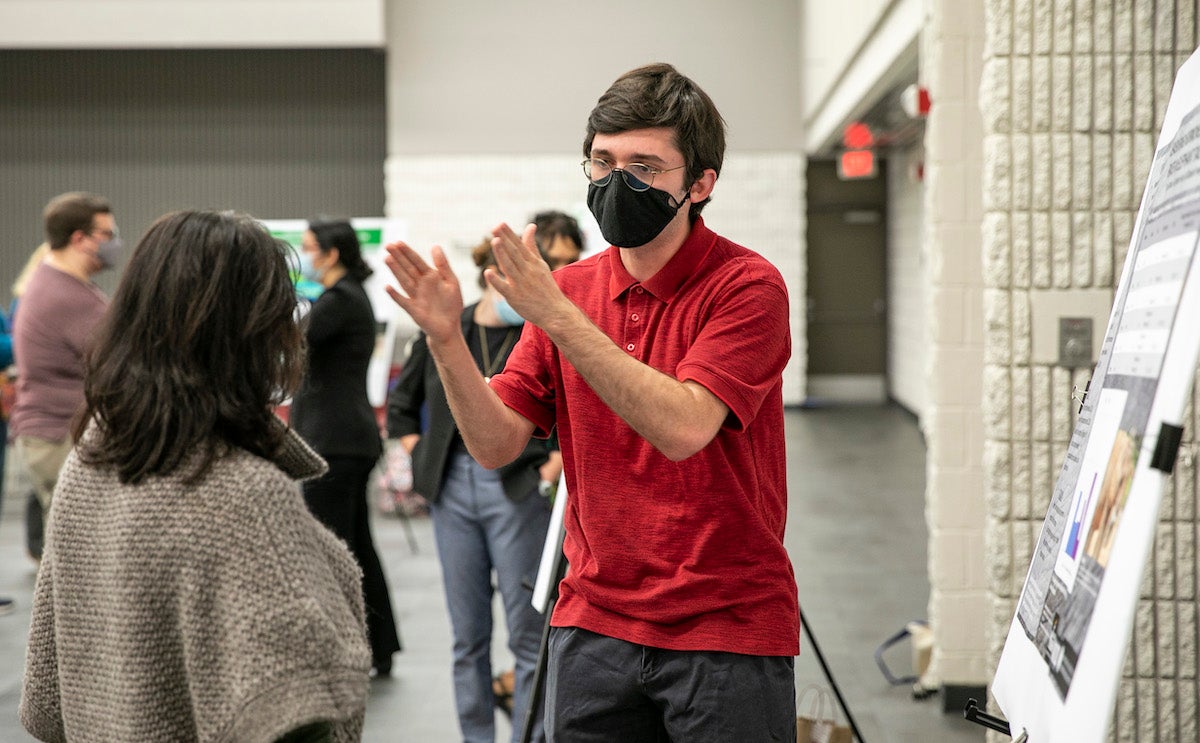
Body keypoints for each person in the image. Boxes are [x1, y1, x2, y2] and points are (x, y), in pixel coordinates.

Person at [384, 63, 799, 741]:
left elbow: (685, 424)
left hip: (725, 626)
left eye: (644, 166)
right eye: (602, 162)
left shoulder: (747, 286)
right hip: (593, 621)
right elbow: (495, 444)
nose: (615, 183)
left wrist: (555, 315)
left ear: (700, 184)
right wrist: (447, 341)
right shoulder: (571, 290)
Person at [20, 210, 371, 743]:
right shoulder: (242, 494)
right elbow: (295, 714)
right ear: (251, 332)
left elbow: (48, 701)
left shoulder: (93, 455)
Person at [386, 237, 555, 743]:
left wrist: (551, 467)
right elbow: (401, 404)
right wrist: (423, 455)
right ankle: (476, 737)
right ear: (486, 275)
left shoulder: (536, 332)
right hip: (451, 488)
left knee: (528, 634)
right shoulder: (450, 329)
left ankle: (527, 735)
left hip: (515, 486)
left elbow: (567, 410)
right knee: (467, 636)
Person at [290, 218, 401, 678]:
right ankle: (378, 646)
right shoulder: (347, 297)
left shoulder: (339, 302)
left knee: (331, 549)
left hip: (335, 441)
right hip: (343, 438)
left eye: (310, 248)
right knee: (354, 546)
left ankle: (345, 650)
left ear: (331, 254)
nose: (306, 256)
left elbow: (287, 342)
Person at [11, 194, 116, 557]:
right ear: (79, 238)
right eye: (106, 233)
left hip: (56, 436)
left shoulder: (59, 281)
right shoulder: (65, 295)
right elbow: (120, 359)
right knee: (78, 556)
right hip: (59, 438)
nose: (114, 242)